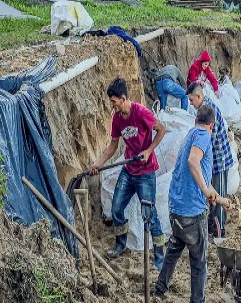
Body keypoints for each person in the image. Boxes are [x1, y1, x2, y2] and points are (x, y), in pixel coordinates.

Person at [154, 105, 230, 303]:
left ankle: (159, 290)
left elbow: (199, 172)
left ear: (197, 120)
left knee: (174, 249)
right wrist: (205, 191)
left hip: (176, 209)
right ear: (211, 125)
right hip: (192, 212)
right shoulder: (204, 136)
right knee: (199, 262)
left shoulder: (190, 134)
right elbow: (193, 162)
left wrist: (216, 195)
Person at [90, 78, 167, 270]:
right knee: (116, 208)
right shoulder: (116, 119)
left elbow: (162, 130)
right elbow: (113, 145)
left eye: (114, 101)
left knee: (149, 215)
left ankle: (159, 254)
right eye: (110, 101)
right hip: (128, 170)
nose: (111, 105)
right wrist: (98, 164)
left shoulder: (141, 113)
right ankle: (120, 243)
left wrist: (148, 151)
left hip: (146, 172)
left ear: (123, 98)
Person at [186, 83, 233, 237]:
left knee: (218, 196)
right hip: (212, 161)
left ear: (199, 97)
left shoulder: (208, 112)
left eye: (192, 100)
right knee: (212, 194)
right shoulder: (203, 110)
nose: (191, 104)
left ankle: (220, 232)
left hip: (219, 161)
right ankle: (213, 226)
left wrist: (196, 159)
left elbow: (207, 141)